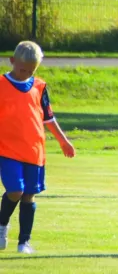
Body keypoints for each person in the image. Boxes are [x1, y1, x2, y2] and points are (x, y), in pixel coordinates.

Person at [0, 41, 76, 254]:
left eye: (30, 71)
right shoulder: (1, 84)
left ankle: (24, 242)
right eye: (22, 69)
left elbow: (48, 119)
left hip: (33, 150)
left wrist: (63, 140)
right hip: (7, 150)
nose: (25, 74)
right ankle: (2, 225)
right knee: (15, 190)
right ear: (12, 61)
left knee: (28, 195)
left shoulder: (39, 86)